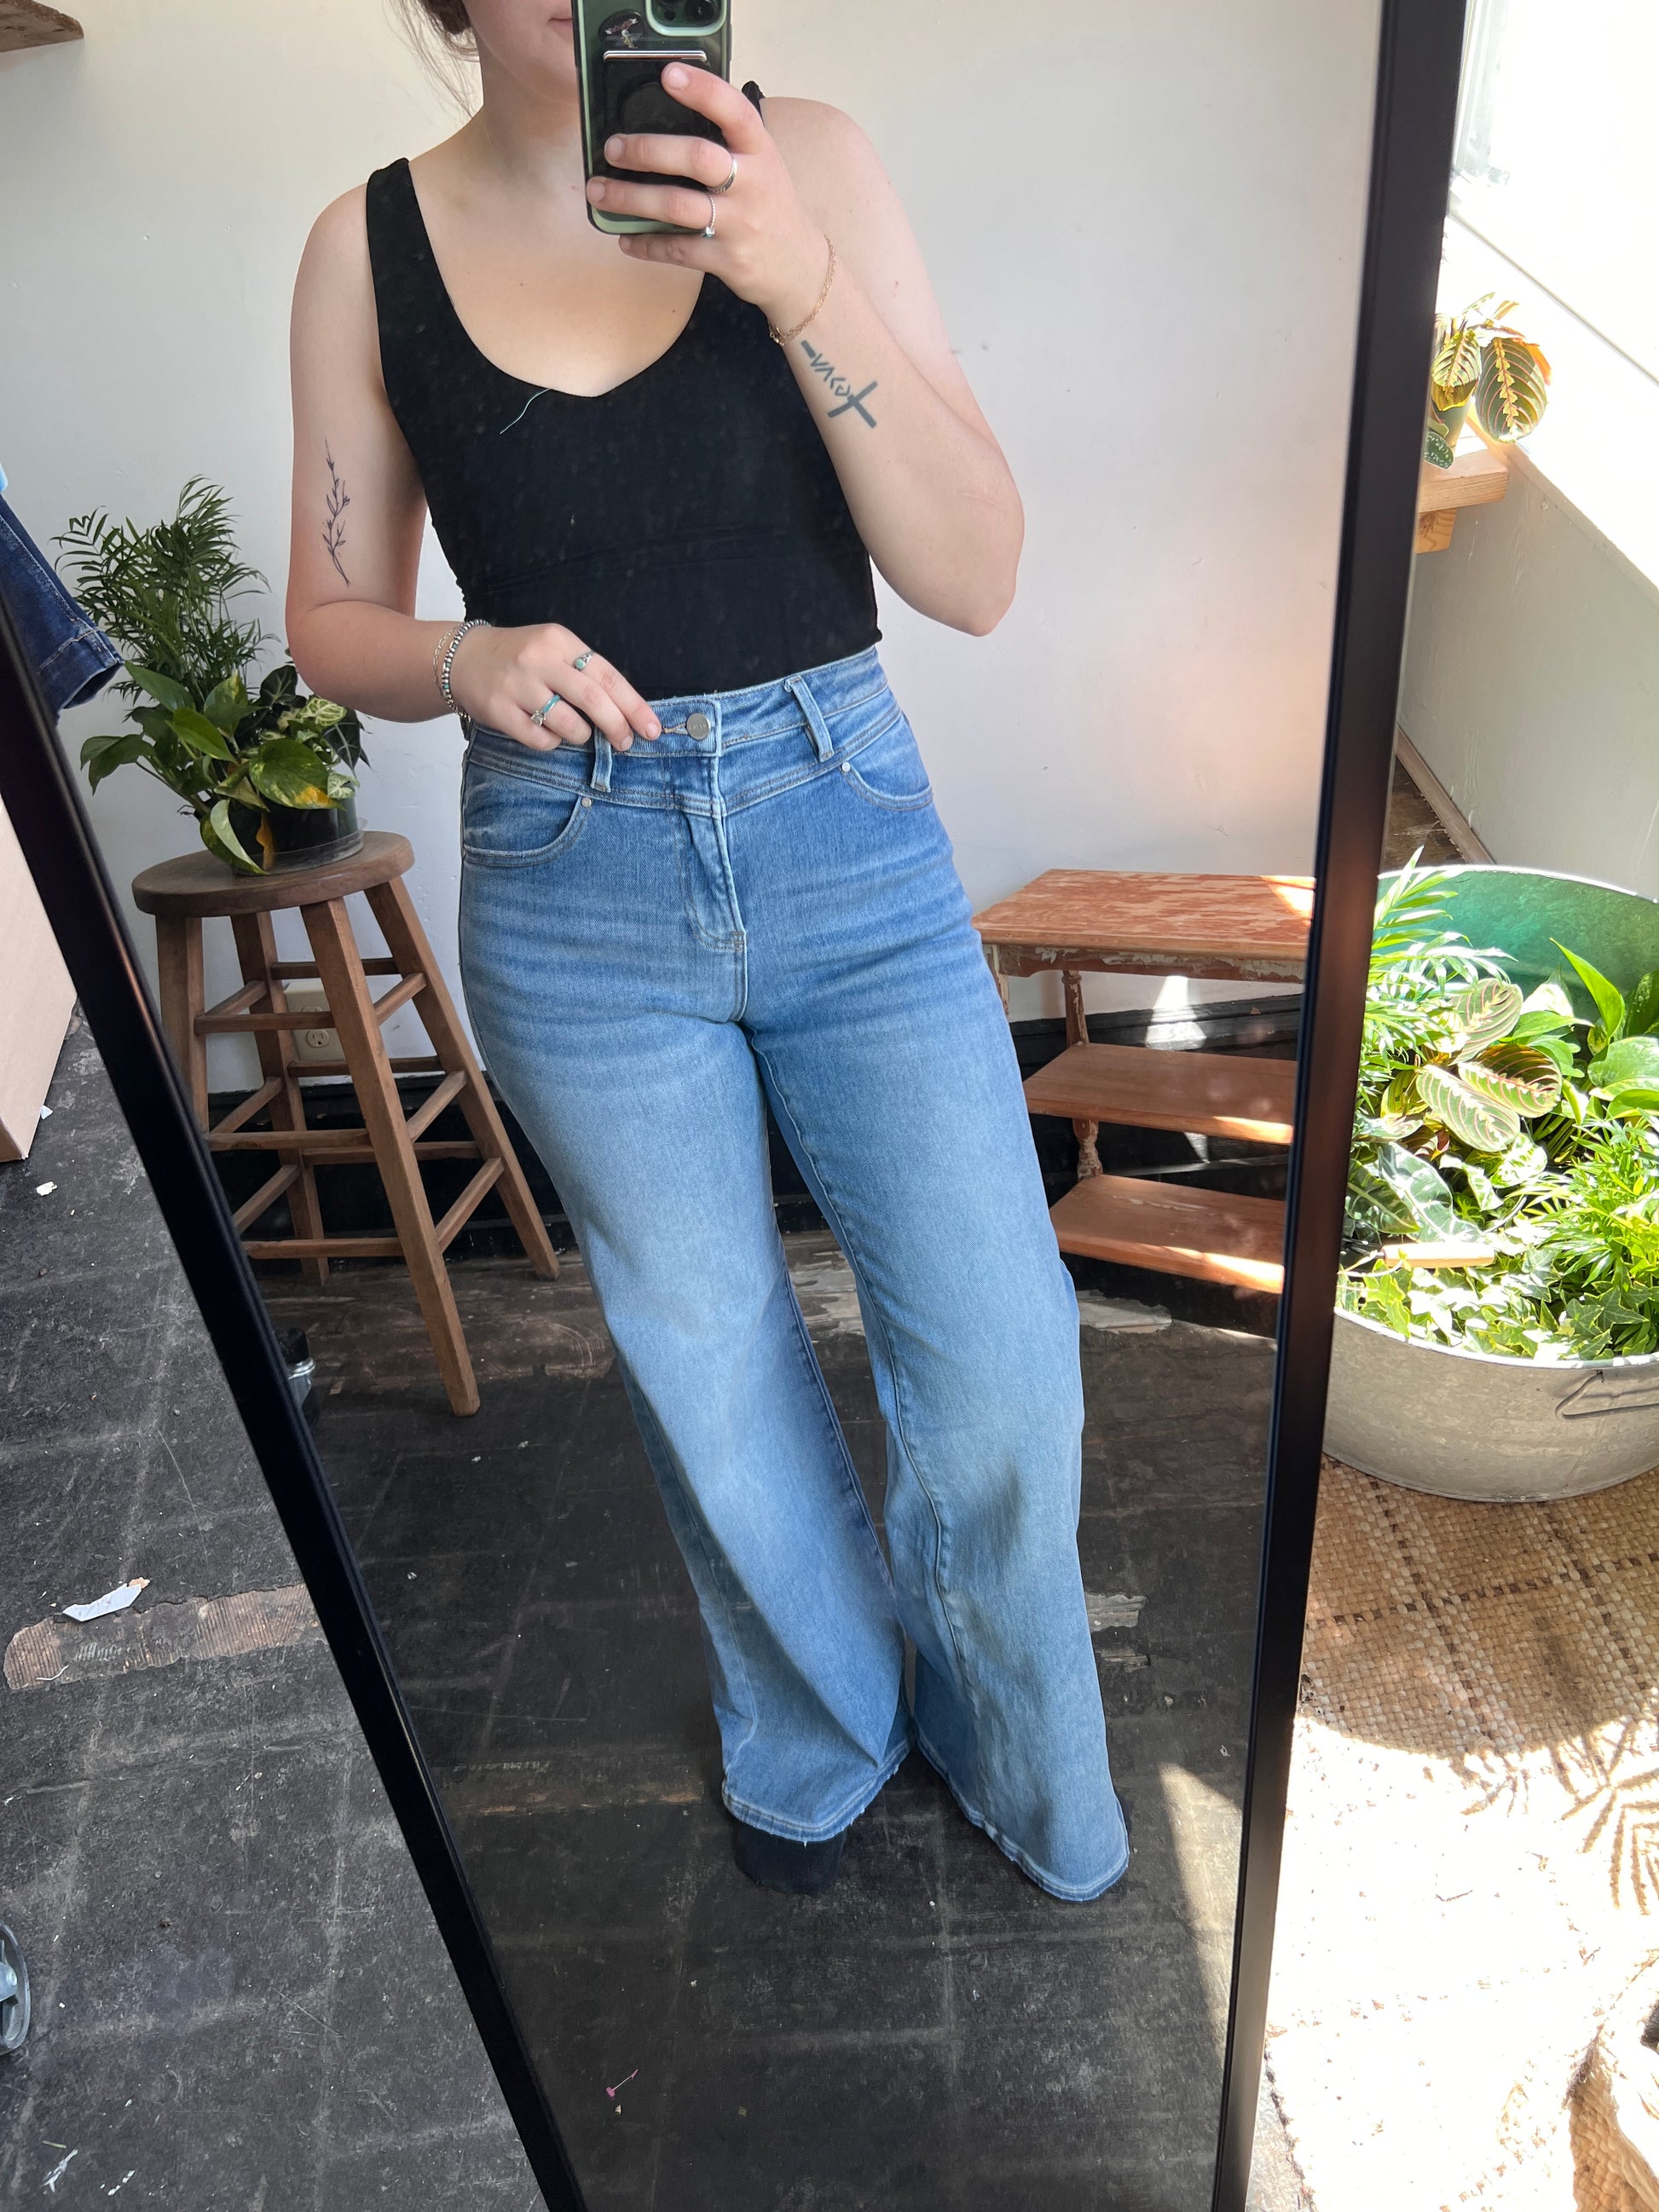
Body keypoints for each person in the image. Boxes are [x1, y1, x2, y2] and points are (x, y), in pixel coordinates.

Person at [285, 0, 1128, 1902]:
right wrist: (462, 657)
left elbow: (976, 575)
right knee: (710, 1372)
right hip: (570, 879)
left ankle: (1012, 1746)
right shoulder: (364, 248)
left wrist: (795, 274)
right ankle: (819, 1730)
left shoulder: (804, 160)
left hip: (849, 835)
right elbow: (331, 611)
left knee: (1002, 1361)